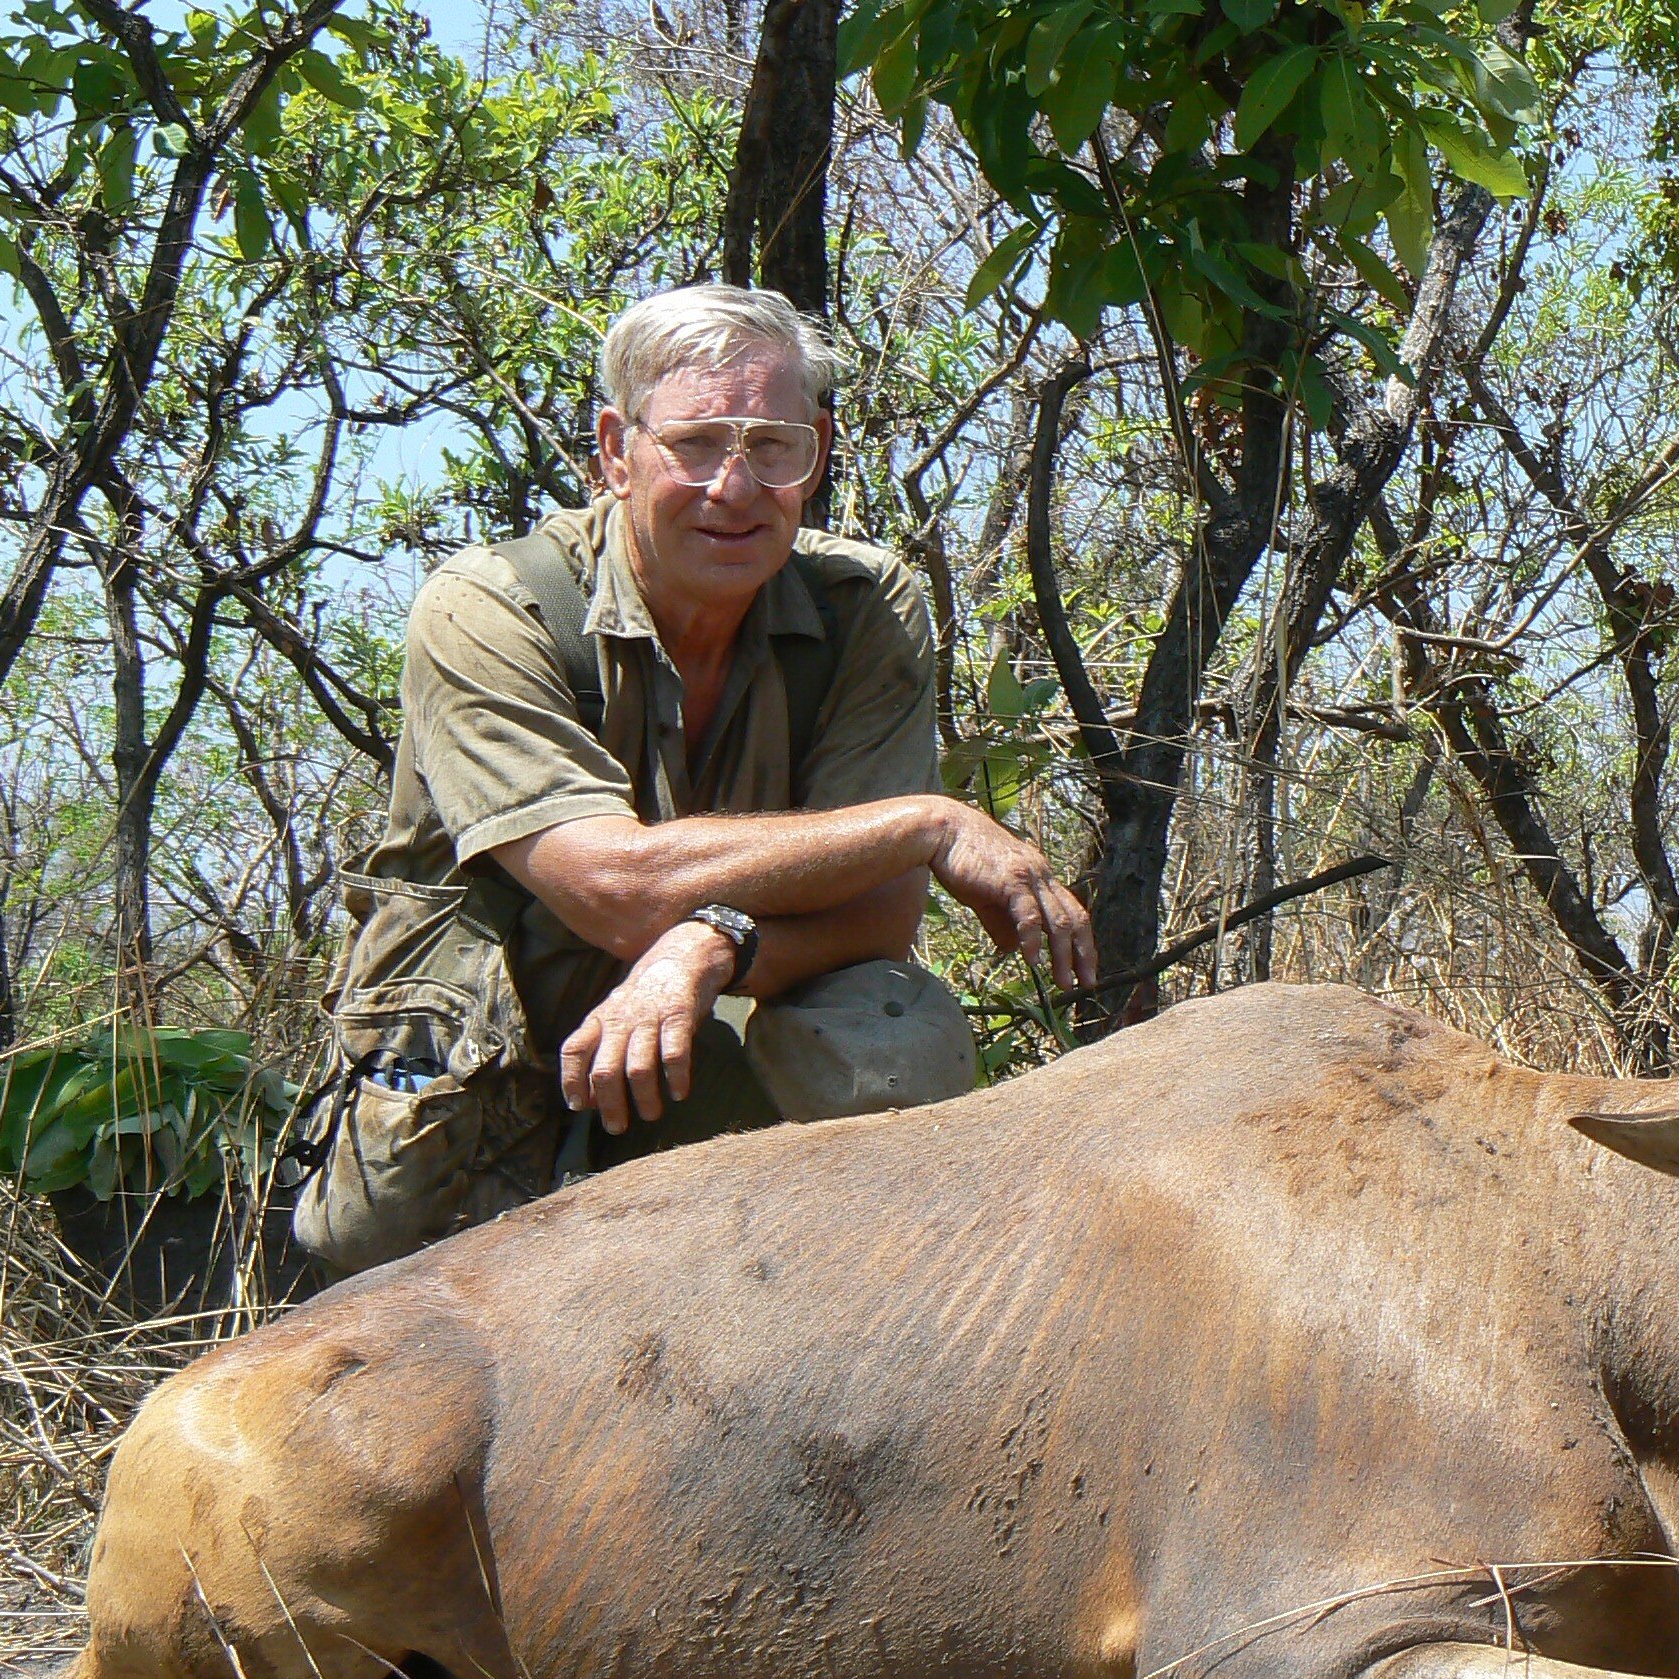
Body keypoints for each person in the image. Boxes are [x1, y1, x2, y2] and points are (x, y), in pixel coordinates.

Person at [293, 284, 1094, 1274]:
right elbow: (612, 887)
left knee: (891, 1022)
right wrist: (928, 820)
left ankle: (846, 1294)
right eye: (697, 444)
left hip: (685, 1034)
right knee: (391, 1290)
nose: (735, 487)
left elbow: (877, 921)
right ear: (615, 450)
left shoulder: (862, 606)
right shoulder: (492, 606)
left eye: (772, 447)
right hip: (491, 1055)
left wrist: (708, 944)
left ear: (819, 455)